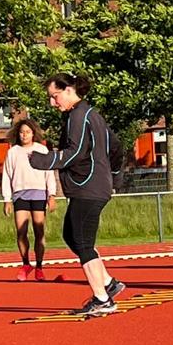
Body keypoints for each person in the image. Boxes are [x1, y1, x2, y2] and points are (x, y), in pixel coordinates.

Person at [28, 73, 125, 317]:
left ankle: (102, 298)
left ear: (69, 90)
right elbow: (116, 147)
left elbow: (76, 151)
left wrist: (43, 161)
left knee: (82, 241)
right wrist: (114, 176)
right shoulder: (92, 114)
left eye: (55, 96)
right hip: (92, 186)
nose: (53, 103)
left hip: (88, 187)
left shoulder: (79, 115)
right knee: (71, 235)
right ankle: (108, 283)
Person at [2, 118, 57, 281]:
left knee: (39, 231)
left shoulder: (41, 149)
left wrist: (51, 195)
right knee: (21, 231)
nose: (24, 135)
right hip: (20, 194)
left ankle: (39, 266)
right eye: (21, 132)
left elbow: (49, 173)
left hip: (39, 193)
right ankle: (26, 264)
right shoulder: (13, 152)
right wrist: (7, 199)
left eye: (27, 132)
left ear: (33, 133)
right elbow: (7, 176)